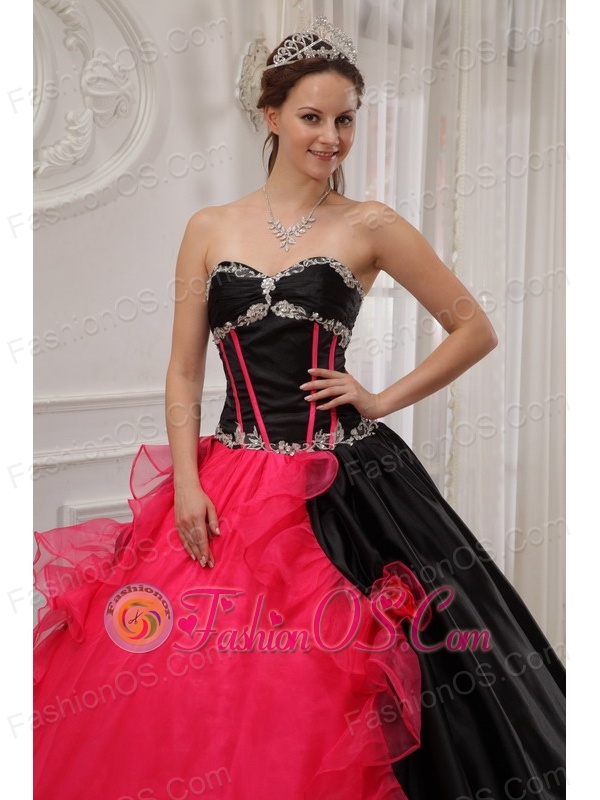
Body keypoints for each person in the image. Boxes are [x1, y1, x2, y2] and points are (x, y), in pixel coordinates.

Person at [33, 17, 566, 800]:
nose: (331, 137)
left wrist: (379, 398)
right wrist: (187, 484)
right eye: (313, 117)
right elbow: (182, 372)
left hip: (346, 482)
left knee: (355, 671)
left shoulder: (371, 225)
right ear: (272, 115)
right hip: (230, 478)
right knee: (186, 679)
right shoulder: (209, 228)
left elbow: (474, 329)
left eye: (345, 119)